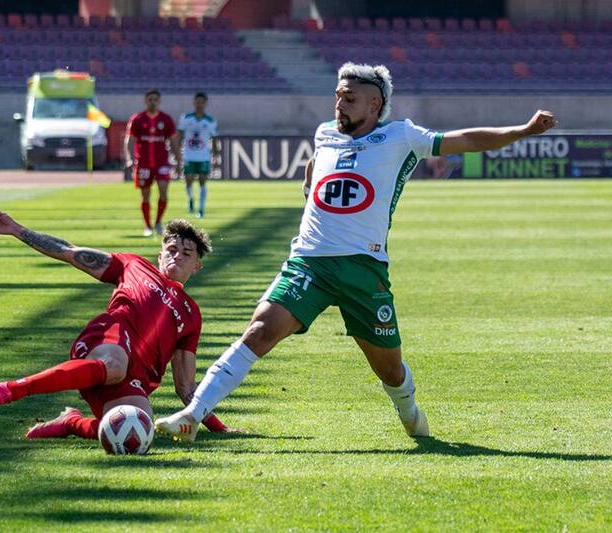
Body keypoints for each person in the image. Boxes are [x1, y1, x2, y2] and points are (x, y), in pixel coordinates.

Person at [155, 62, 558, 442]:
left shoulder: (402, 136)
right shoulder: (325, 132)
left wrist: (522, 130)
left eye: (349, 98)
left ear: (374, 104)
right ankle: (192, 414)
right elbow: (317, 162)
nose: (339, 104)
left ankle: (411, 411)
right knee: (259, 331)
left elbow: (465, 139)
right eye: (337, 96)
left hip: (364, 269)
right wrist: (309, 180)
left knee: (389, 369)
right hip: (309, 262)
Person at [0, 208, 231, 441]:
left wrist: (219, 428)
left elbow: (185, 387)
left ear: (196, 266)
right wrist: (16, 229)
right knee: (115, 366)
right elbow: (69, 252)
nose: (177, 257)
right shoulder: (134, 265)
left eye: (186, 253)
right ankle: (13, 389)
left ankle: (71, 422)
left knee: (138, 430)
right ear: (159, 255)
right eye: (171, 250)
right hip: (109, 339)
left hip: (135, 377)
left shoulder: (191, 314)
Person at [124, 89, 182, 237]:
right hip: (143, 162)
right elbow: (130, 140)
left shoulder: (166, 119)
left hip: (162, 162)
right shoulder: (137, 119)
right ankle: (148, 226)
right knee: (145, 195)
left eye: (155, 99)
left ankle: (158, 222)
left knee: (163, 192)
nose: (152, 102)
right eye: (150, 99)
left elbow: (174, 141)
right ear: (145, 101)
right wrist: (129, 158)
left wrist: (178, 159)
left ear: (159, 101)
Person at [177, 92, 218, 218]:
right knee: (188, 180)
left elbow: (214, 139)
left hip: (203, 156)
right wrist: (177, 152)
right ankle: (190, 199)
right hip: (189, 155)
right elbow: (179, 136)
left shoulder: (210, 121)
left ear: (205, 103)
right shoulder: (185, 118)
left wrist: (215, 155)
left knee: (202, 182)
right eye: (197, 101)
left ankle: (201, 209)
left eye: (202, 102)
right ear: (194, 102)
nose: (199, 104)